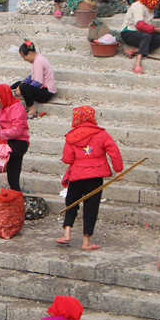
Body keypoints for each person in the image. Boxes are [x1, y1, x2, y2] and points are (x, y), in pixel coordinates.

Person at [59, 105, 123, 251]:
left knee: (71, 203)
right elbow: (114, 152)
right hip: (95, 177)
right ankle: (86, 241)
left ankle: (66, 233)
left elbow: (67, 158)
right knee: (91, 207)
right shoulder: (102, 134)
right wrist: (118, 171)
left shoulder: (71, 135)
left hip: (76, 175)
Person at [120, 0, 160, 74]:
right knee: (147, 36)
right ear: (153, 0)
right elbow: (139, 25)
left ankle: (135, 51)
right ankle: (137, 62)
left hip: (141, 34)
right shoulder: (138, 6)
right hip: (128, 32)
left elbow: (147, 27)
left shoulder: (150, 9)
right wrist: (156, 29)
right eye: (158, 4)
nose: (158, 7)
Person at [14, 40, 57, 119]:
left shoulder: (38, 62)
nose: (25, 60)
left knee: (24, 87)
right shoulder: (38, 58)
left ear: (30, 53)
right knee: (20, 83)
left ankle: (32, 110)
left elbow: (38, 82)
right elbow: (31, 77)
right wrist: (20, 85)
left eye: (24, 57)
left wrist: (22, 88)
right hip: (42, 88)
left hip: (46, 92)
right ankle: (5, 91)